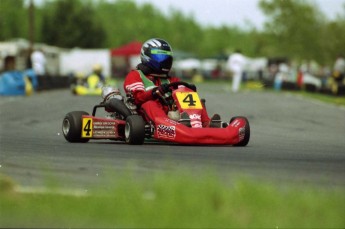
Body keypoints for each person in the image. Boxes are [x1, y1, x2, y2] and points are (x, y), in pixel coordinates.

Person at [123, 38, 221, 128]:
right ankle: (167, 126)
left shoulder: (171, 80)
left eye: (166, 57)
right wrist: (154, 92)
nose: (164, 60)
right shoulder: (136, 75)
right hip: (145, 115)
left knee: (192, 98)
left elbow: (183, 92)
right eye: (160, 56)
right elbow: (137, 98)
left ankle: (205, 123)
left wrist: (189, 90)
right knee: (150, 104)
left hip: (171, 112)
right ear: (147, 56)